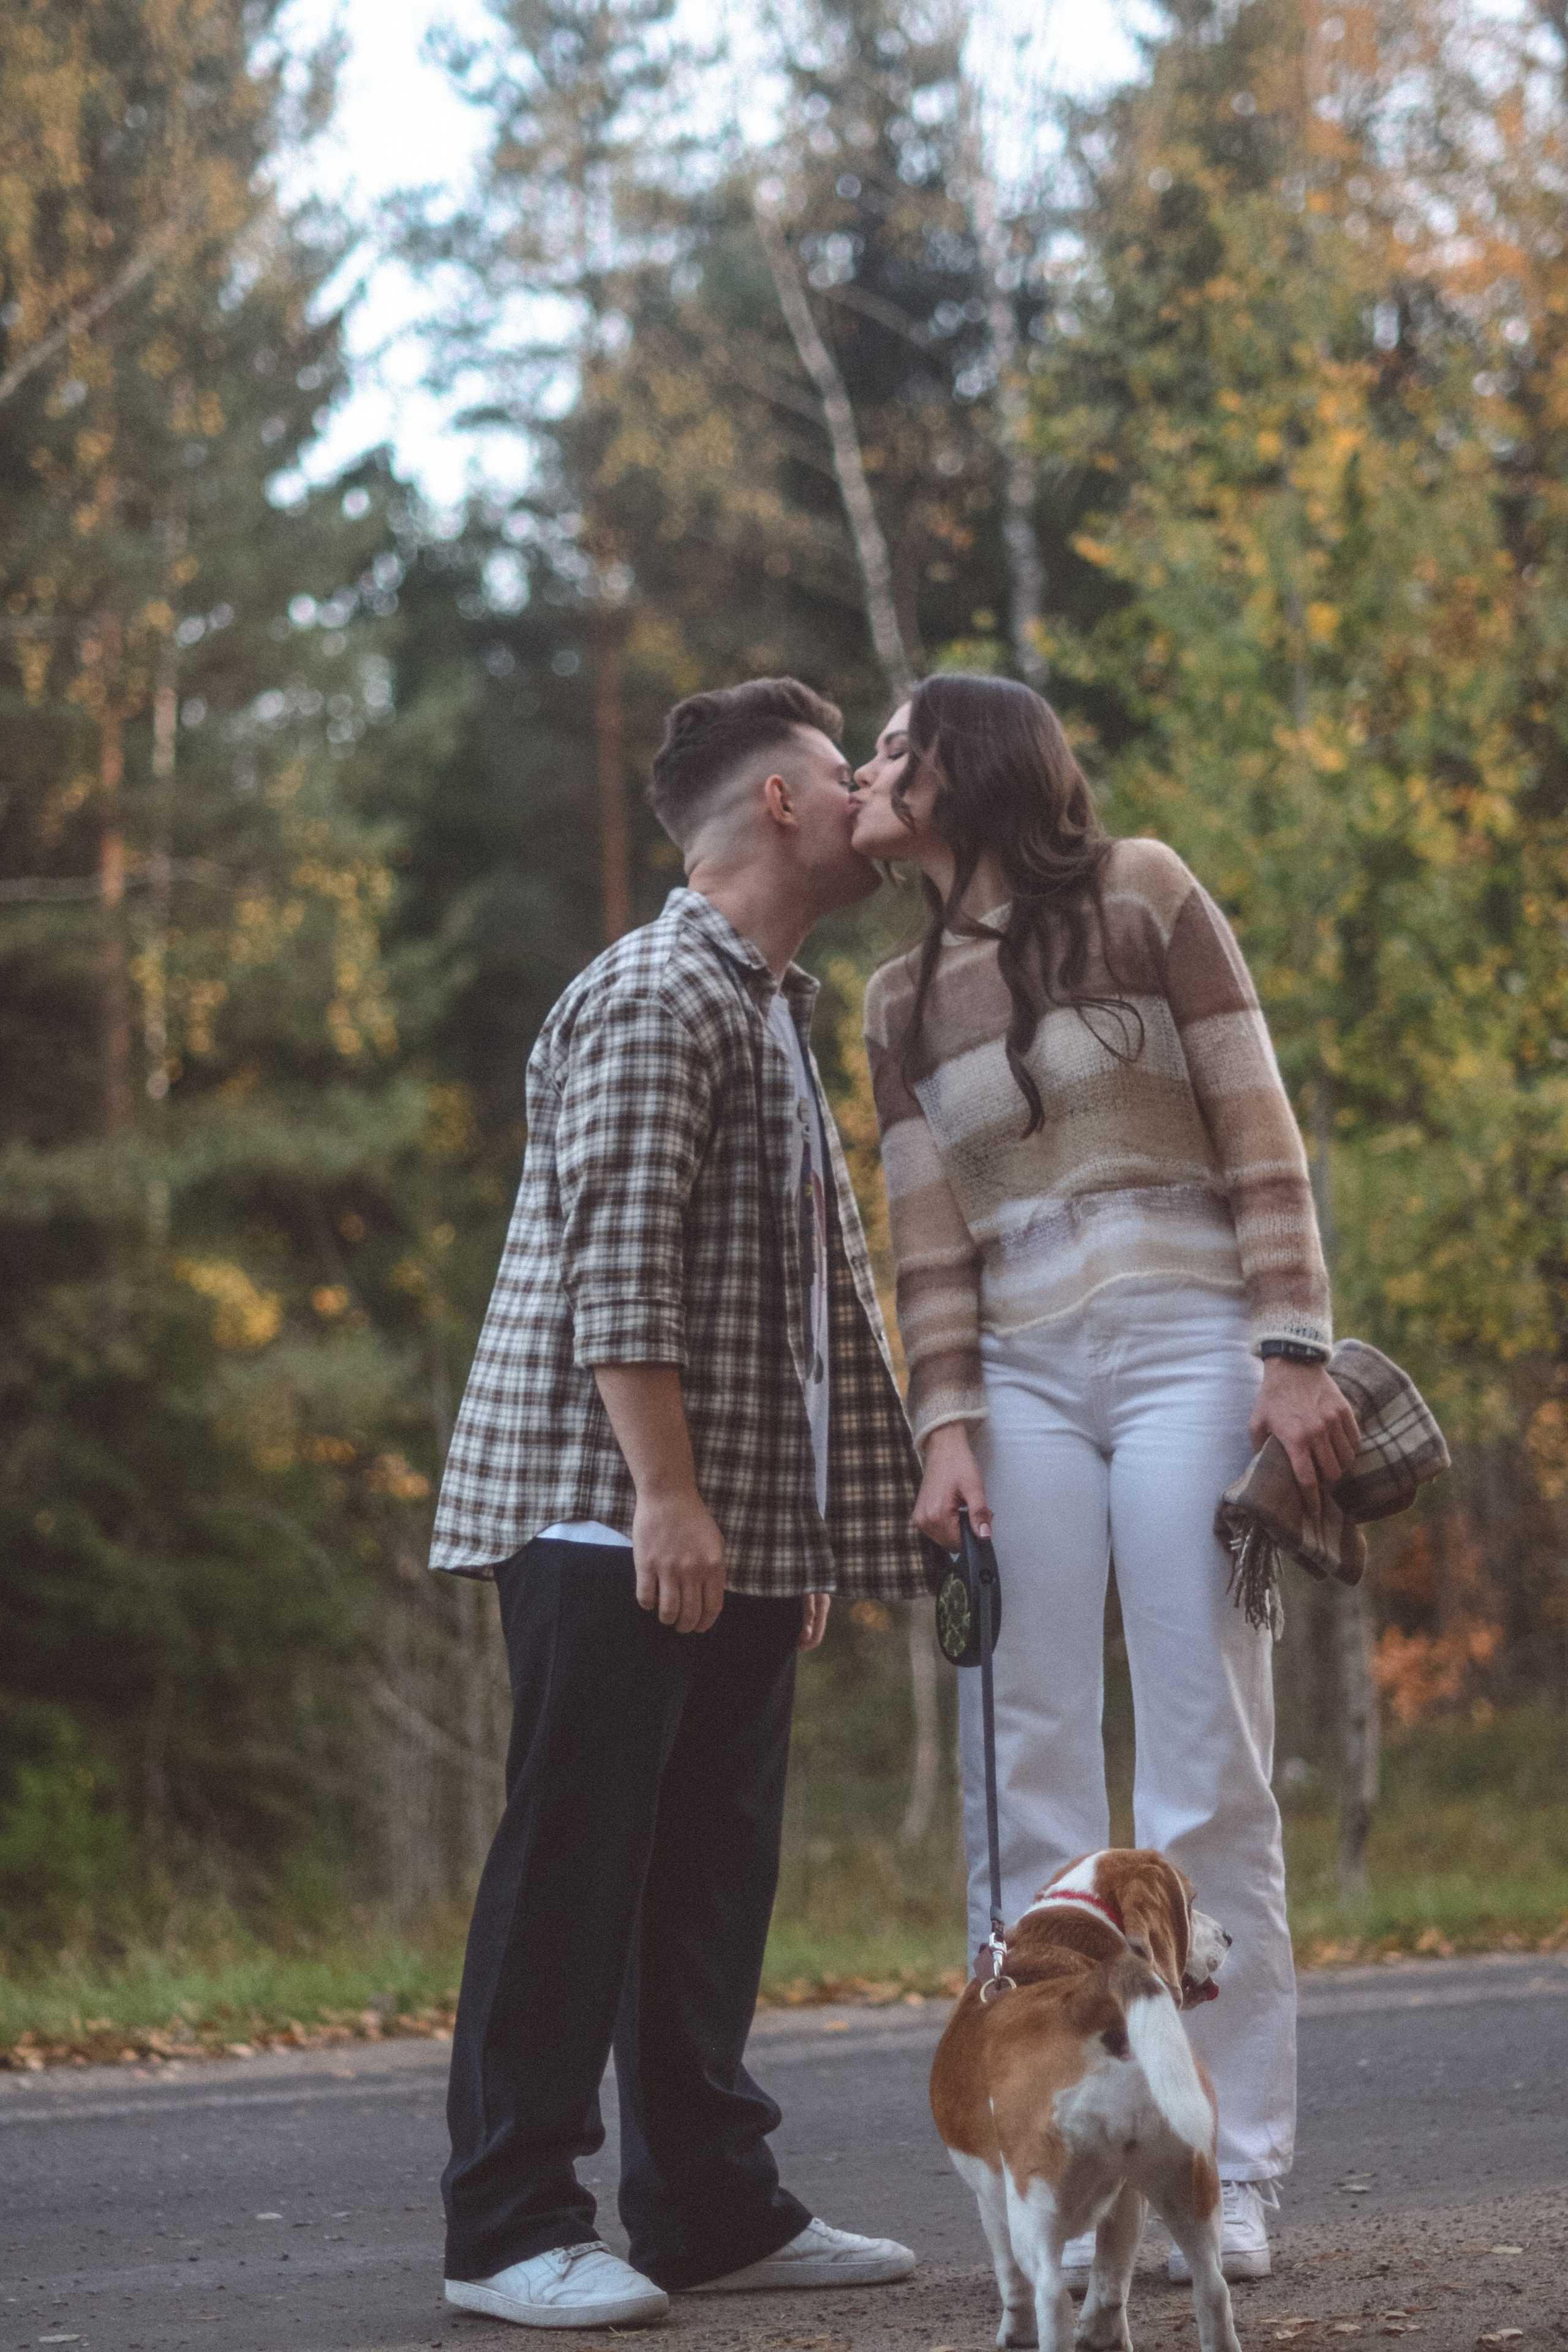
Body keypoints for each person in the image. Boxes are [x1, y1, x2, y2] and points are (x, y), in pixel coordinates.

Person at [429, 677, 929, 2331]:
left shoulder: (765, 1002)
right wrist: (669, 1497)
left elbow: (784, 1307)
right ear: (780, 800)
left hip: (726, 1524)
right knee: (576, 1867)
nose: (869, 793)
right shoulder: (659, 991)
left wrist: (787, 1532)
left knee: (707, 1877)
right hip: (611, 1513)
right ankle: (508, 2226)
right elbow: (619, 1269)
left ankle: (710, 2208)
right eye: (847, 770)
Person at [850, 674, 1359, 2286]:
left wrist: (1293, 1346)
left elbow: (1257, 1123)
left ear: (972, 760)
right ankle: (1058, 2167)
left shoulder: (1147, 893)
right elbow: (927, 1241)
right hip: (1019, 1383)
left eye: (892, 745)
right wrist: (944, 1426)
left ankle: (1229, 2166)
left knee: (1206, 1766)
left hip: (1190, 1344)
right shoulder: (893, 1001)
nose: (867, 768)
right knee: (1029, 1772)